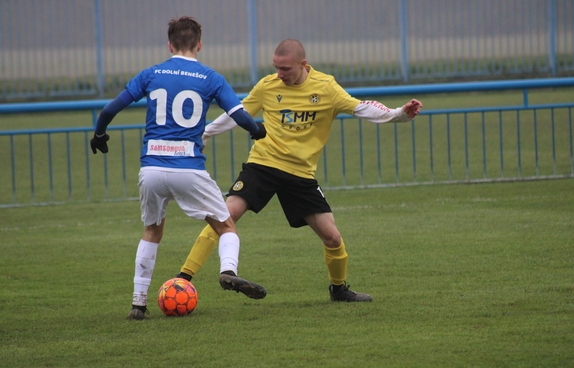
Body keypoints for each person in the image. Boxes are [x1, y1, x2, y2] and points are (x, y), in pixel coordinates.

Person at [176, 39, 422, 302]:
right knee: (223, 217)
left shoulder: (326, 87)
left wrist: (400, 114)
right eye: (276, 68)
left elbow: (361, 108)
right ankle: (182, 280)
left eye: (286, 69)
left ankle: (338, 290)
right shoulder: (267, 86)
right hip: (263, 165)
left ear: (303, 65)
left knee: (332, 237)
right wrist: (204, 134)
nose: (279, 74)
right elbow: (237, 113)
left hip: (300, 174)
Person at [90, 16, 268, 320]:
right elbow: (240, 115)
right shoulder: (210, 77)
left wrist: (100, 133)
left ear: (169, 44)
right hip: (189, 168)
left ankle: (138, 304)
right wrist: (256, 131)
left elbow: (109, 109)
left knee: (152, 231)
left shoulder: (150, 74)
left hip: (152, 169)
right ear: (199, 44)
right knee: (225, 225)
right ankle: (228, 271)